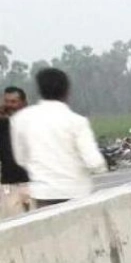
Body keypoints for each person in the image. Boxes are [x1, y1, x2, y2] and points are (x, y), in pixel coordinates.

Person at [9, 68, 106, 208]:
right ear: (67, 92)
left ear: (40, 90)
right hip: (78, 195)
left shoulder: (20, 119)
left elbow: (21, 159)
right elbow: (95, 163)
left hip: (44, 196)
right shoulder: (77, 121)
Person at [1, 86, 31, 218]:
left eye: (13, 101)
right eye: (6, 101)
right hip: (9, 185)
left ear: (24, 103)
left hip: (32, 183)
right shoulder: (2, 125)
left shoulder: (33, 123)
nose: (9, 105)